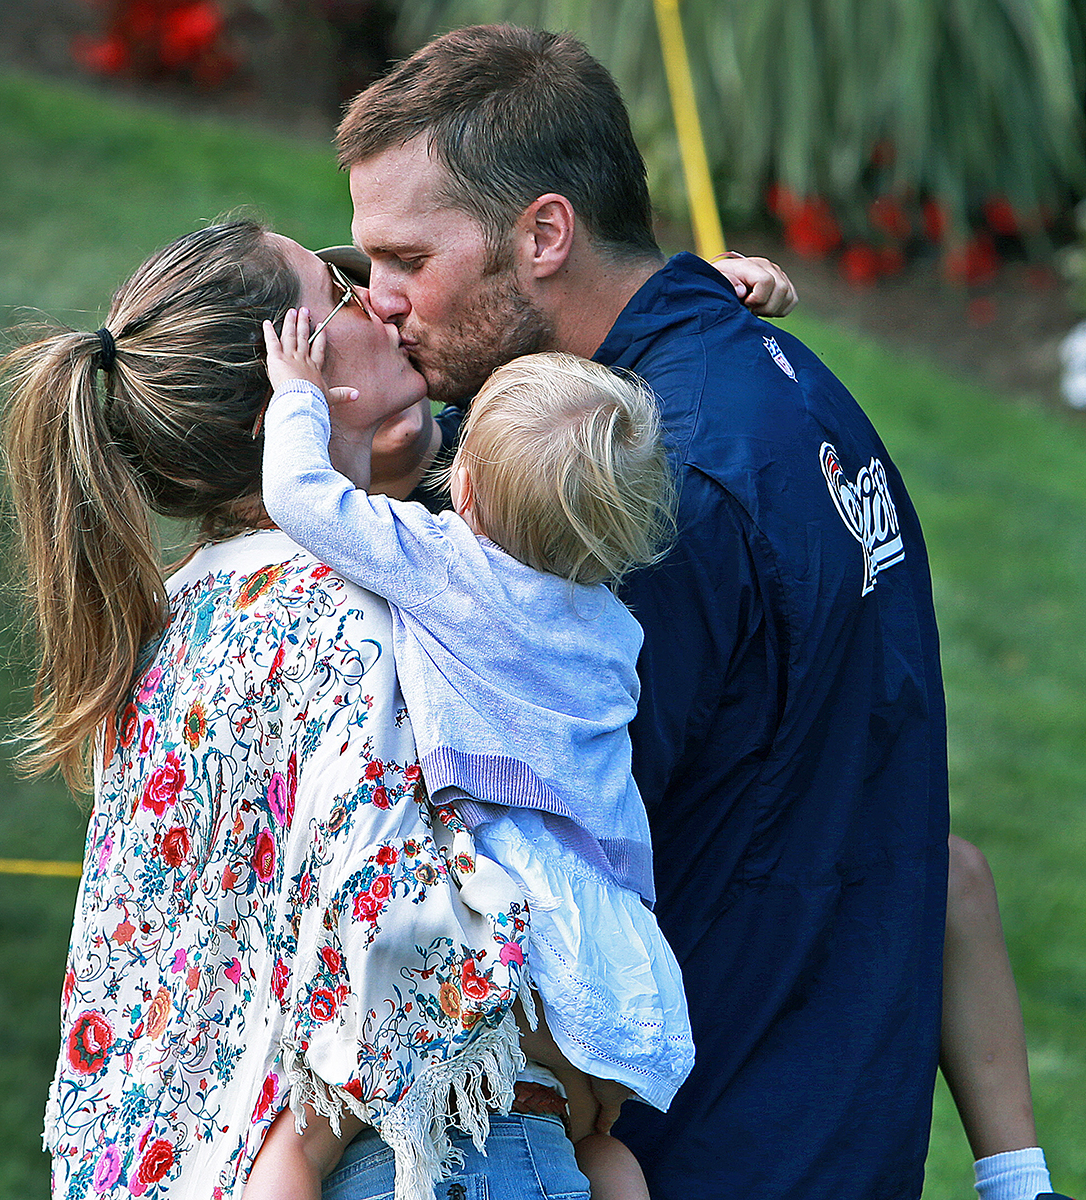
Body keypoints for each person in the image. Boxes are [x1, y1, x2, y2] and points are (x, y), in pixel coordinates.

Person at [331, 24, 1065, 1200]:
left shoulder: (641, 493)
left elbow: (529, 840)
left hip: (717, 1144)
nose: (382, 301)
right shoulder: (774, 383)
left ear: (544, 233)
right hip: (828, 1125)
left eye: (406, 258)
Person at [0, 219, 591, 1200]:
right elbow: (405, 944)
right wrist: (572, 1046)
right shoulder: (346, 618)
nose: (380, 305)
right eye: (340, 295)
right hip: (394, 1167)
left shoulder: (174, 616)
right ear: (293, 400)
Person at [250, 307, 695, 1200]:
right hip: (604, 940)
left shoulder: (447, 565)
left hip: (491, 904)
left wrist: (298, 399)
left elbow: (301, 499)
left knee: (310, 1141)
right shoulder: (612, 630)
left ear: (469, 491)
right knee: (596, 1130)